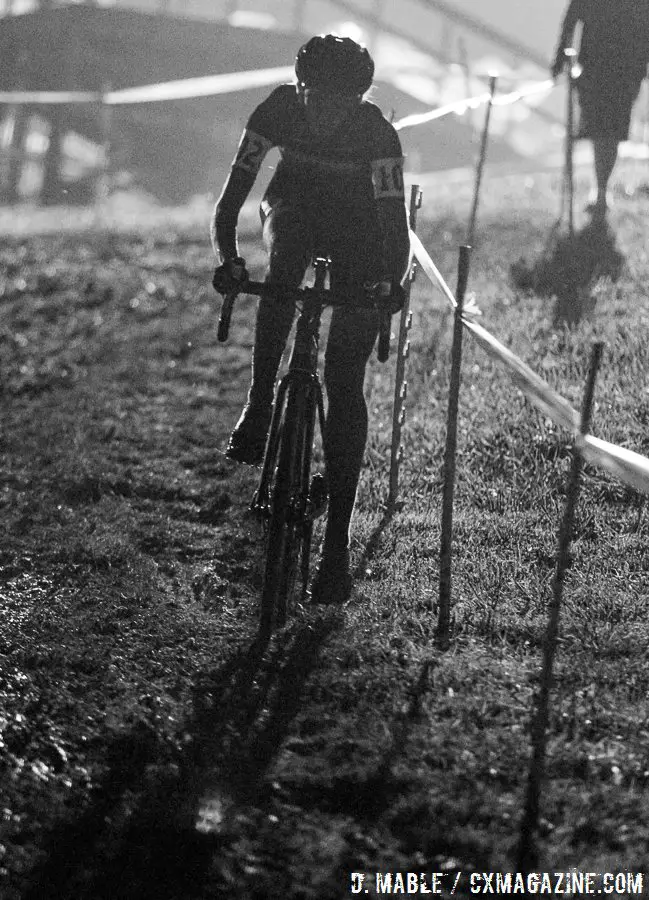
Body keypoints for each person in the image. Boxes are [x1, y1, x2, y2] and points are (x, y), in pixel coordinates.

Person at [211, 34, 410, 604]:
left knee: (345, 381)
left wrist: (385, 283)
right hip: (292, 207)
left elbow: (394, 229)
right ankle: (260, 401)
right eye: (315, 99)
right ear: (298, 88)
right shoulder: (275, 108)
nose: (325, 113)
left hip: (360, 234)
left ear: (360, 100)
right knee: (288, 249)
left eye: (339, 104)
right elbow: (230, 204)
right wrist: (228, 259)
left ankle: (337, 547)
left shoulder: (378, 133)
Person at [552, 0, 649, 222]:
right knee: (607, 131)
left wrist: (560, 55)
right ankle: (602, 191)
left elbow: (572, 17)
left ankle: (602, 191)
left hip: (611, 69)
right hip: (615, 69)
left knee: (606, 131)